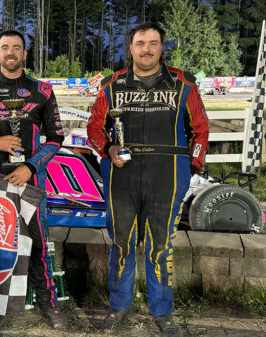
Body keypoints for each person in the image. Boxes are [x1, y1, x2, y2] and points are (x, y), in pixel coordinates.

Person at [87, 23, 209, 337]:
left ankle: (162, 311)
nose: (146, 49)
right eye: (140, 43)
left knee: (161, 247)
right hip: (121, 175)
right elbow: (94, 129)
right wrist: (109, 148)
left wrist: (189, 167)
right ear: (131, 48)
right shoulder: (111, 85)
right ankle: (119, 307)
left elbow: (201, 130)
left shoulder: (183, 84)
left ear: (161, 47)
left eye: (153, 43)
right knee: (121, 244)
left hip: (167, 175)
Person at [0, 30, 66, 330]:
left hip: (29, 178)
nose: (11, 52)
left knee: (39, 244)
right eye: (5, 47)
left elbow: (56, 137)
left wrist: (31, 166)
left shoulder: (41, 90)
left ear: (24, 55)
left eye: (16, 48)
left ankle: (48, 303)